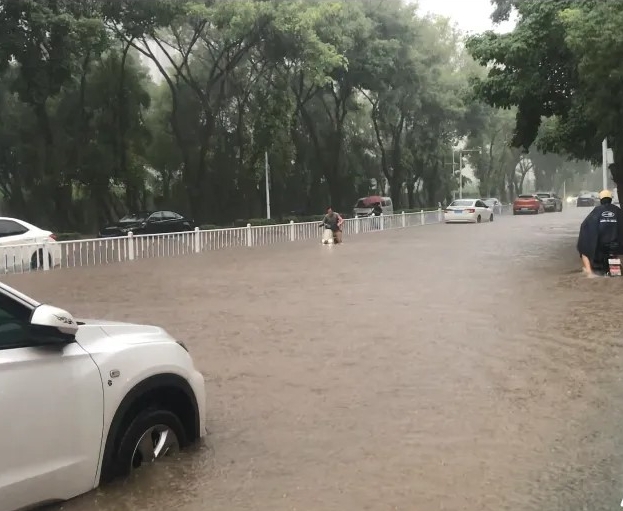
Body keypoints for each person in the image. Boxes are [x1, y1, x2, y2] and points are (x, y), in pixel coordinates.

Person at [577, 189, 623, 276]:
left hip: (600, 246)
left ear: (600, 200)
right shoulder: (618, 210)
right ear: (611, 199)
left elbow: (585, 226)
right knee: (616, 258)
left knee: (583, 250)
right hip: (616, 246)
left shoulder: (597, 211)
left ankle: (589, 272)